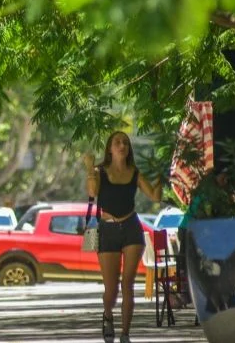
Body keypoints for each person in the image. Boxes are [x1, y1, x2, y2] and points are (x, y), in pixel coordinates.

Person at [84, 131, 161, 343]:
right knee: (112, 288)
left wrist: (161, 176)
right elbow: (92, 192)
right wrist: (89, 167)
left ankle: (125, 334)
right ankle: (108, 315)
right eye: (117, 142)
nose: (122, 145)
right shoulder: (100, 171)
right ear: (110, 148)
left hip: (131, 227)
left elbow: (155, 197)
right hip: (107, 228)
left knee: (128, 283)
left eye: (125, 142)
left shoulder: (135, 173)